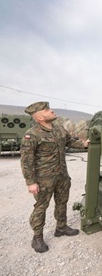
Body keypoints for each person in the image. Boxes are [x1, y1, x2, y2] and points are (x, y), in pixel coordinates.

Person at [20, 101, 89, 253]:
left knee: (62, 201)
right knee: (41, 206)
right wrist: (30, 182)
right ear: (39, 118)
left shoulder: (59, 129)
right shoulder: (32, 135)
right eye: (46, 110)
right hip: (44, 178)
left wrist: (84, 144)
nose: (51, 111)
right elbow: (26, 161)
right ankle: (37, 237)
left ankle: (61, 227)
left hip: (62, 175)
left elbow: (71, 142)